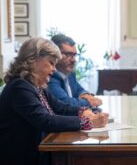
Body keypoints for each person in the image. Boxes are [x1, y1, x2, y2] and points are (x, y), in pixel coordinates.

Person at [0, 37, 109, 165]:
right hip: (20, 158)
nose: (54, 69)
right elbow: (45, 120)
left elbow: (60, 107)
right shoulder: (19, 87)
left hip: (36, 153)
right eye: (51, 63)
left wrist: (84, 111)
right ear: (33, 60)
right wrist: (88, 122)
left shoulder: (35, 85)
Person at [48, 34, 101, 108]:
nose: (73, 60)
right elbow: (67, 103)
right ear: (55, 54)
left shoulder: (70, 74)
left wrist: (85, 95)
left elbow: (80, 90)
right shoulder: (50, 78)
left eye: (74, 55)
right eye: (68, 54)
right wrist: (90, 101)